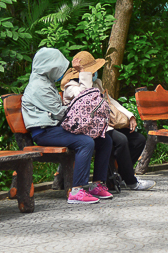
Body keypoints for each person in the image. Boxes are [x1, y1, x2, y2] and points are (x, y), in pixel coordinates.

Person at [22, 48, 112, 204]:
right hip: (44, 132)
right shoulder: (38, 86)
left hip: (55, 128)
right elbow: (60, 113)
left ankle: (97, 184)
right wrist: (81, 110)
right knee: (86, 142)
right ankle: (77, 191)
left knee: (104, 140)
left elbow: (63, 113)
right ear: (49, 67)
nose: (61, 71)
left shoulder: (45, 83)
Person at [62, 51, 155, 190]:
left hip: (104, 124)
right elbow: (86, 100)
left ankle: (122, 176)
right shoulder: (71, 88)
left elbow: (110, 101)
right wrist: (83, 72)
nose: (94, 73)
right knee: (121, 140)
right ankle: (131, 182)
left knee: (138, 139)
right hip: (88, 128)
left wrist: (130, 116)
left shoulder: (96, 83)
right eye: (91, 71)